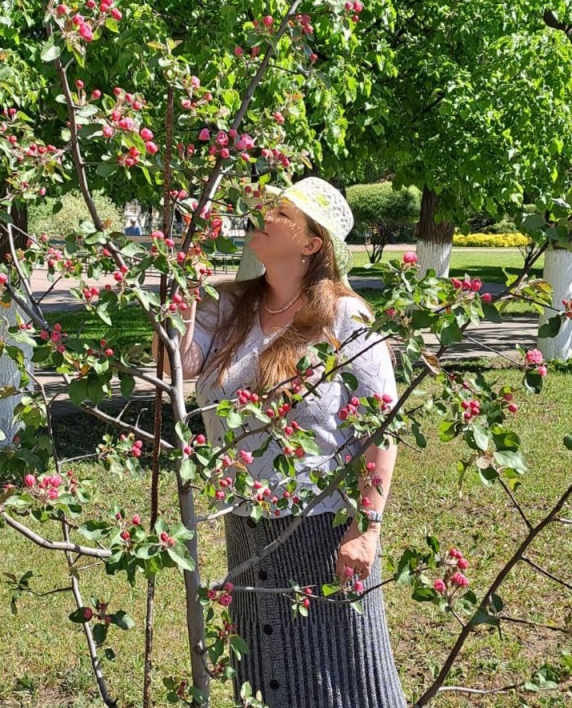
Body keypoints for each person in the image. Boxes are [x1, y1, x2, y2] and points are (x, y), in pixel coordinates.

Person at [170, 176, 407, 708]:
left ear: (310, 243)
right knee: (264, 672)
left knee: (342, 679)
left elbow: (380, 428)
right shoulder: (227, 307)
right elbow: (178, 368)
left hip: (323, 533)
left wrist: (365, 530)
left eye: (280, 211)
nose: (262, 214)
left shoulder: (346, 318)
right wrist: (182, 302)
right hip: (245, 523)